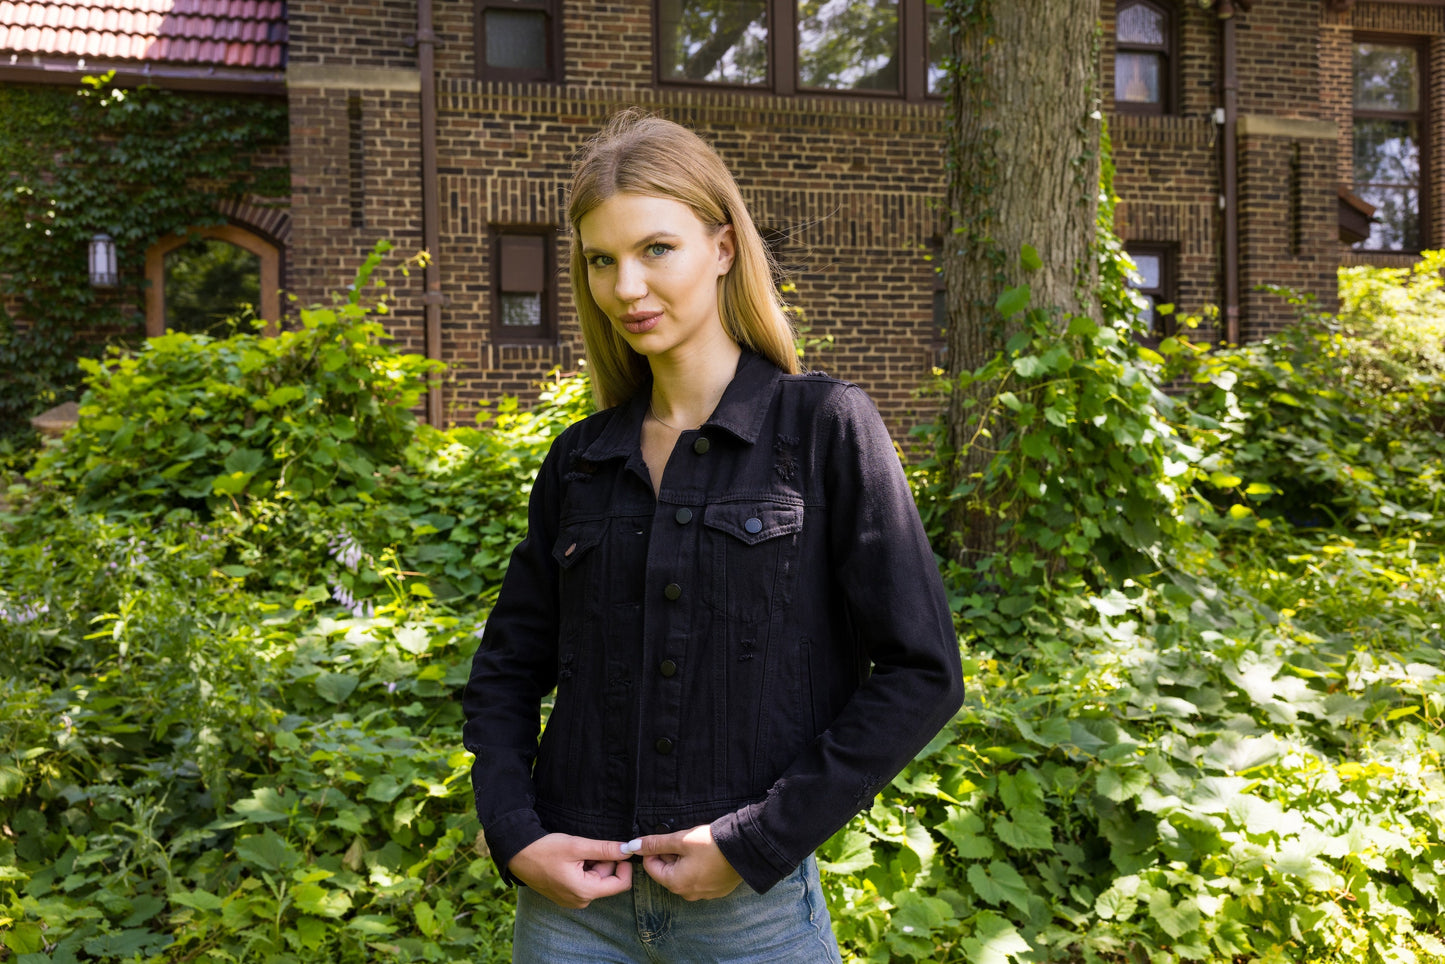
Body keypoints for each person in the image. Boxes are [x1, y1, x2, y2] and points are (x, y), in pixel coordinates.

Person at [461, 109, 964, 962]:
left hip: (751, 923)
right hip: (570, 919)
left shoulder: (823, 429)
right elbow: (507, 668)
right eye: (600, 261)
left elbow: (922, 672)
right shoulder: (579, 460)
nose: (625, 287)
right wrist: (513, 833)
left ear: (723, 248)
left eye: (656, 249)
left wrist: (757, 842)